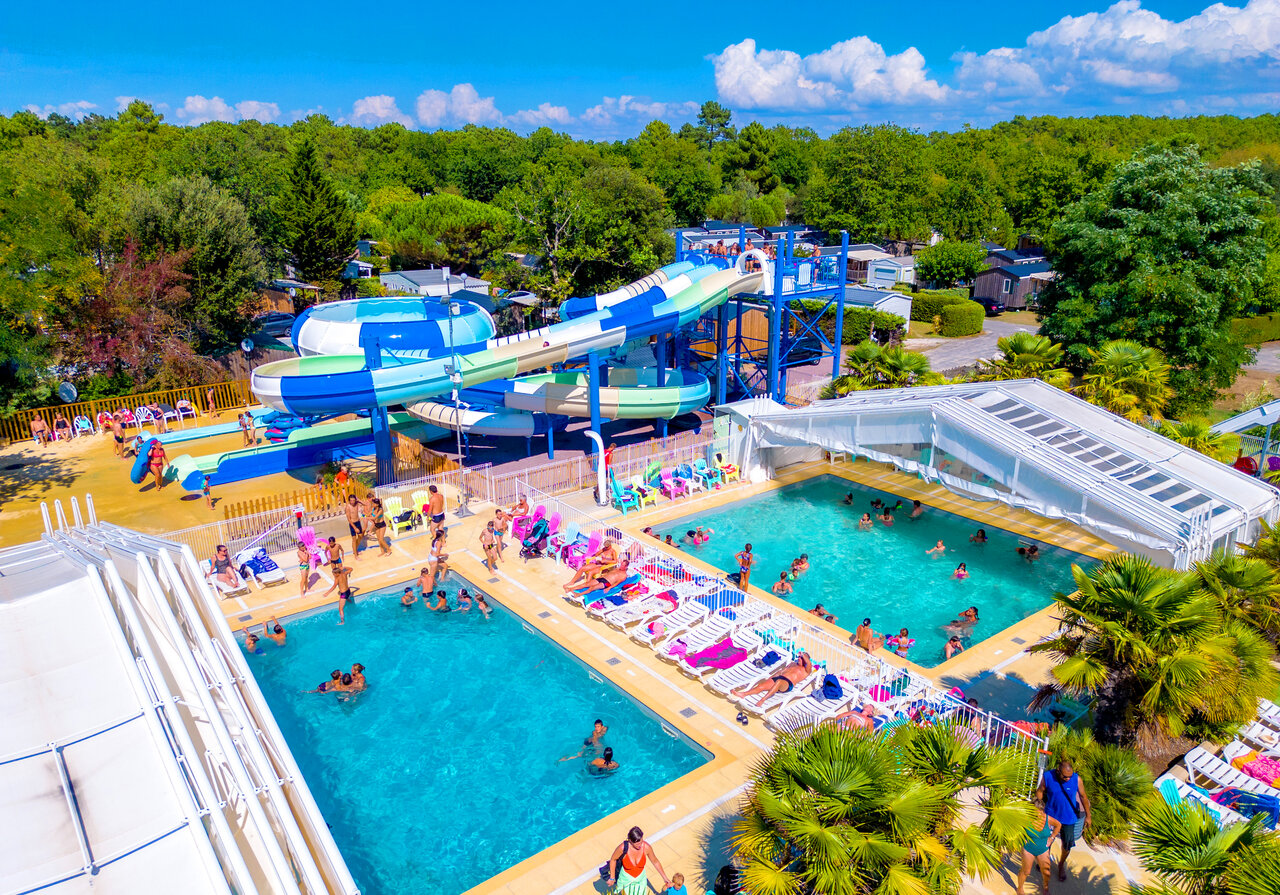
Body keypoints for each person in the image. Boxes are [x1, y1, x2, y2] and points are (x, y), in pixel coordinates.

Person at [1037, 759, 1092, 882]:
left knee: (1067, 845)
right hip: (1051, 815)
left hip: (1068, 818)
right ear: (1058, 771)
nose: (1068, 779)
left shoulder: (1077, 779)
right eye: (1065, 776)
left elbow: (1083, 797)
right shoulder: (1048, 776)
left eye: (1070, 776)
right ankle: (1045, 860)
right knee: (1046, 839)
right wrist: (1038, 810)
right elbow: (1040, 791)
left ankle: (1061, 865)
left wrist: (1088, 816)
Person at [1017, 795, 1062, 895]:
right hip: (1028, 848)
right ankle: (1020, 888)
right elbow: (1017, 828)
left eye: (1041, 812)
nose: (1039, 815)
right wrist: (1021, 838)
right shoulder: (1026, 818)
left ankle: (1045, 887)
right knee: (1026, 871)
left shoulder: (1047, 819)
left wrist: (1052, 837)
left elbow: (1058, 825)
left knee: (1046, 872)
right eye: (1036, 813)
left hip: (1043, 849)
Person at [731, 653, 814, 706]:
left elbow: (809, 663)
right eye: (799, 657)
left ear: (805, 660)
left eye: (801, 658)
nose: (799, 658)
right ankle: (743, 694)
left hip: (788, 684)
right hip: (779, 678)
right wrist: (771, 678)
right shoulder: (792, 664)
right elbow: (780, 671)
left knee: (779, 682)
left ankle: (762, 700)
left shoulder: (806, 670)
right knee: (761, 686)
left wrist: (803, 654)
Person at [606, 827, 670, 895]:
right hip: (626, 879)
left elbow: (655, 861)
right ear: (630, 841)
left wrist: (665, 878)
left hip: (640, 879)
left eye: (641, 842)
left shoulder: (646, 847)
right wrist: (612, 878)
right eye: (637, 844)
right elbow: (613, 859)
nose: (640, 846)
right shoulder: (622, 848)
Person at [344, 494, 370, 560]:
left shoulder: (356, 503)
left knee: (360, 536)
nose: (352, 502)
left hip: (358, 522)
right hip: (352, 524)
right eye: (351, 500)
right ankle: (356, 555)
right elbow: (349, 519)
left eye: (353, 500)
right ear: (349, 501)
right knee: (354, 540)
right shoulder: (348, 507)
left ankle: (355, 549)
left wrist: (359, 500)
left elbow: (365, 504)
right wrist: (355, 528)